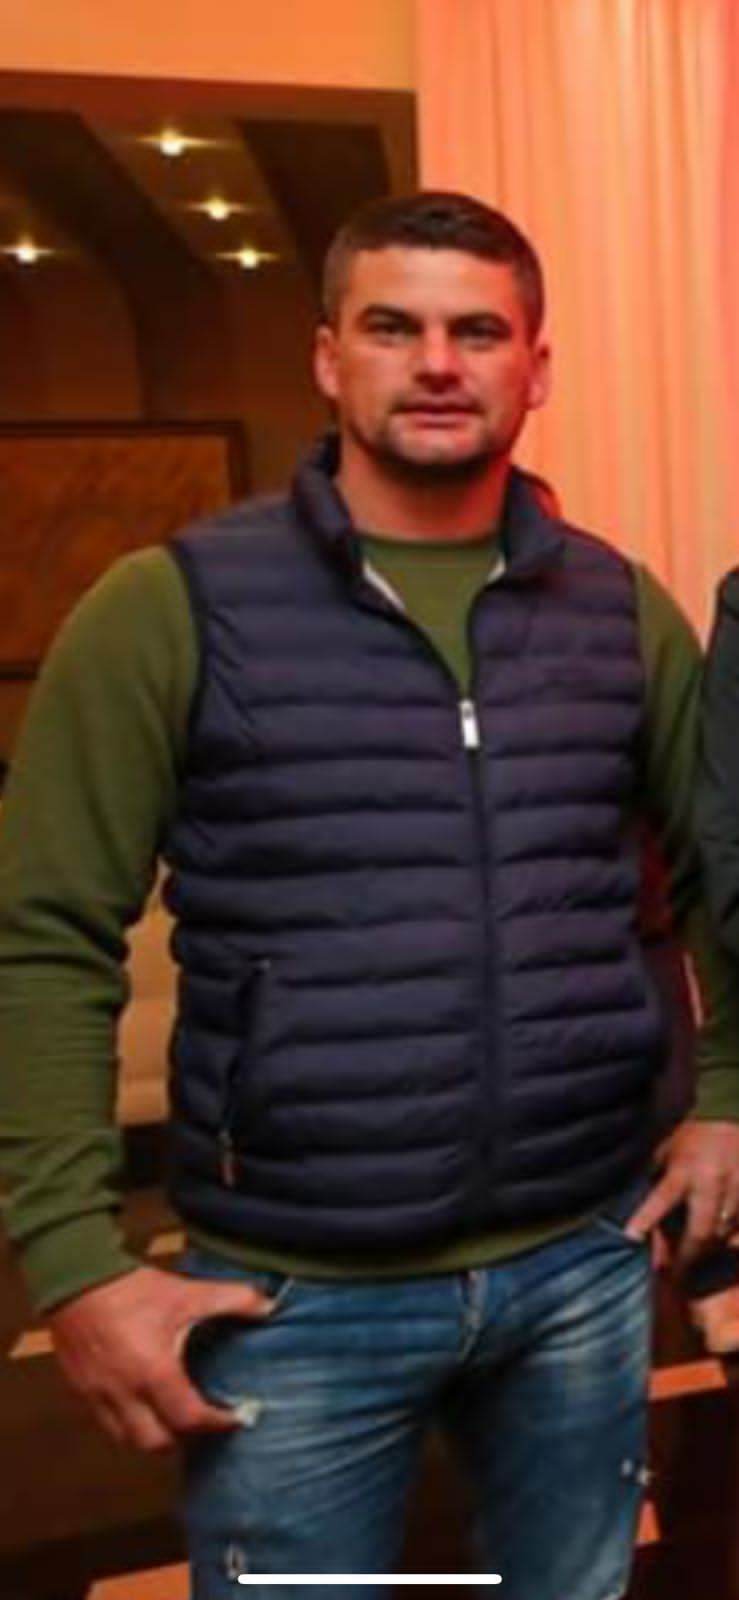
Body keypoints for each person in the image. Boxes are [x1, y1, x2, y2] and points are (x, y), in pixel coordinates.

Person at [2, 191, 739, 1600]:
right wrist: (74, 1259)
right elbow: (42, 939)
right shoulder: (172, 605)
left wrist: (729, 1095)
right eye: (395, 327)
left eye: (480, 332)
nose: (439, 363)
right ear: (329, 356)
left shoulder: (618, 609)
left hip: (584, 1263)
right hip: (291, 1293)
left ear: (536, 367)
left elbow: (719, 876)